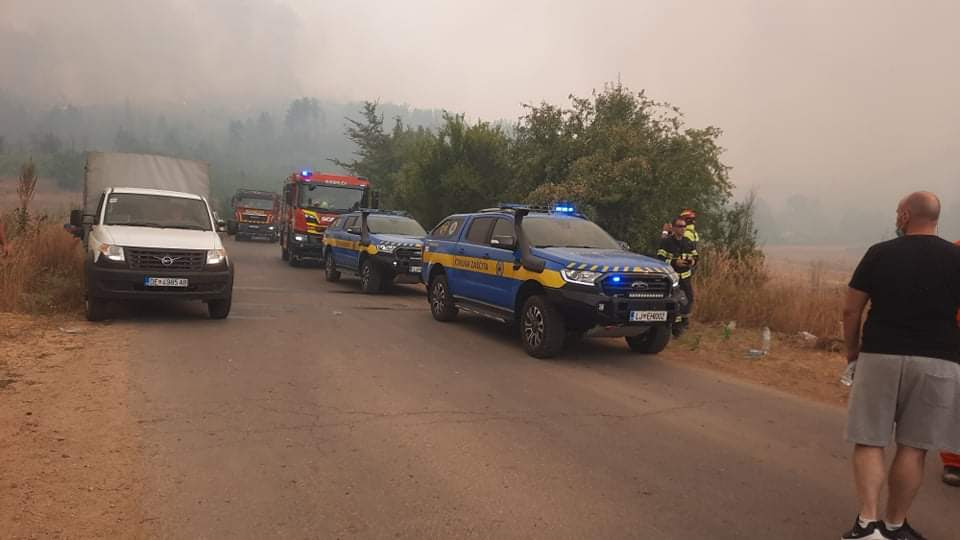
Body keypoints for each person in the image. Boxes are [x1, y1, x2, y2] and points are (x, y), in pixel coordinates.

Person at [841, 192, 960, 540]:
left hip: (880, 355)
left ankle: (867, 525)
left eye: (898, 212)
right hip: (939, 361)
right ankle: (895, 525)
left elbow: (851, 310)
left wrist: (852, 352)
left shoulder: (880, 253)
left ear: (906, 215)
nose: (896, 217)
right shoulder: (957, 258)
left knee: (870, 440)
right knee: (914, 446)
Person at [657, 217, 696, 337]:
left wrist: (692, 261)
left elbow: (695, 256)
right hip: (672, 278)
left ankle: (683, 322)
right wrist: (675, 262)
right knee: (675, 301)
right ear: (673, 228)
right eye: (679, 226)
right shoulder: (666, 242)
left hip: (685, 278)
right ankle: (676, 328)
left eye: (684, 226)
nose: (682, 229)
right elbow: (660, 259)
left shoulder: (688, 242)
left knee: (688, 300)